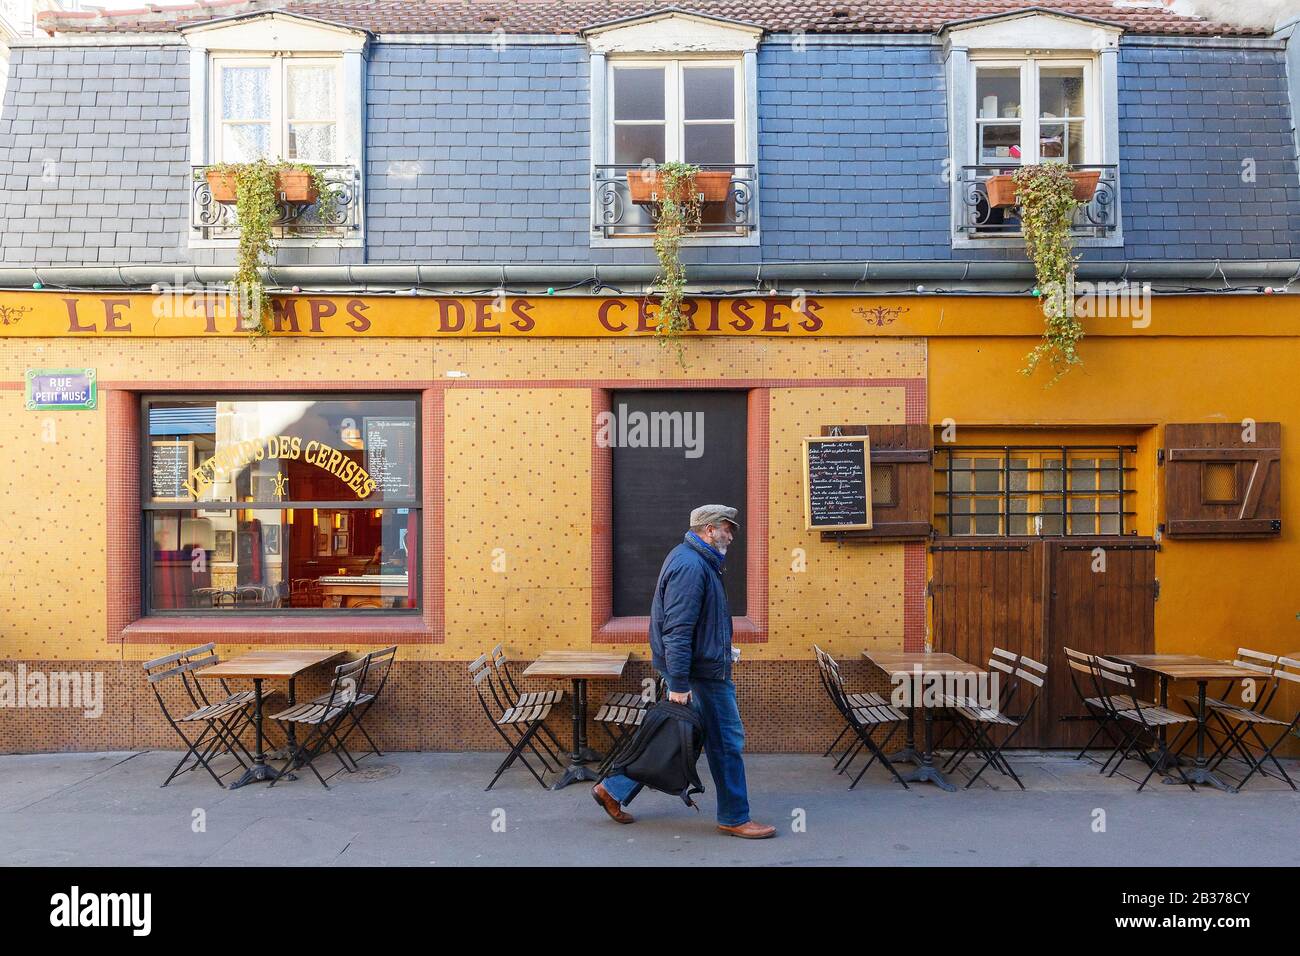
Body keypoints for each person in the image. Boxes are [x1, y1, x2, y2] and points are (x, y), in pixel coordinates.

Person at [592, 505, 776, 839]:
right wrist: (678, 683)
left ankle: (612, 789)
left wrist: (721, 649)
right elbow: (677, 630)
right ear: (708, 530)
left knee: (672, 738)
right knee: (726, 742)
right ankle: (735, 816)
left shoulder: (698, 561)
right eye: (727, 528)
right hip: (700, 676)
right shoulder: (691, 566)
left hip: (700, 668)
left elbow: (699, 625)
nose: (732, 535)